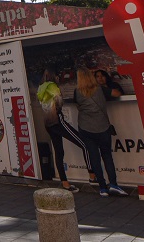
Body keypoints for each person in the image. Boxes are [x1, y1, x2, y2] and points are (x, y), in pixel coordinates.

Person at [74, 68, 128, 197]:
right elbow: (117, 93)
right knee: (107, 156)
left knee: (94, 157)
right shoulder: (100, 89)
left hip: (85, 127)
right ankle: (113, 184)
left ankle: (103, 188)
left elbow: (78, 105)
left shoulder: (77, 92)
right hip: (102, 126)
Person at [38, 69, 91, 192]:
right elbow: (59, 100)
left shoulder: (41, 87)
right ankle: (92, 175)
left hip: (47, 123)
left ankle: (65, 183)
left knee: (59, 152)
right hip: (57, 120)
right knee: (84, 143)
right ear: (54, 75)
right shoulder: (52, 86)